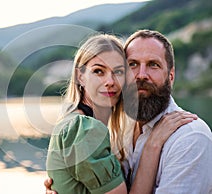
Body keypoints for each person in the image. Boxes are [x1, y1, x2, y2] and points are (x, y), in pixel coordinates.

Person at [45, 33, 197, 194]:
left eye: (118, 72)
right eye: (98, 71)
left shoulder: (91, 126)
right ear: (80, 76)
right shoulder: (85, 130)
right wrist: (152, 145)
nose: (110, 81)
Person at [122, 29, 212, 193]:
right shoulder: (117, 131)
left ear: (171, 76)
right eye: (132, 64)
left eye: (153, 65)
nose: (141, 75)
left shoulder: (190, 138)